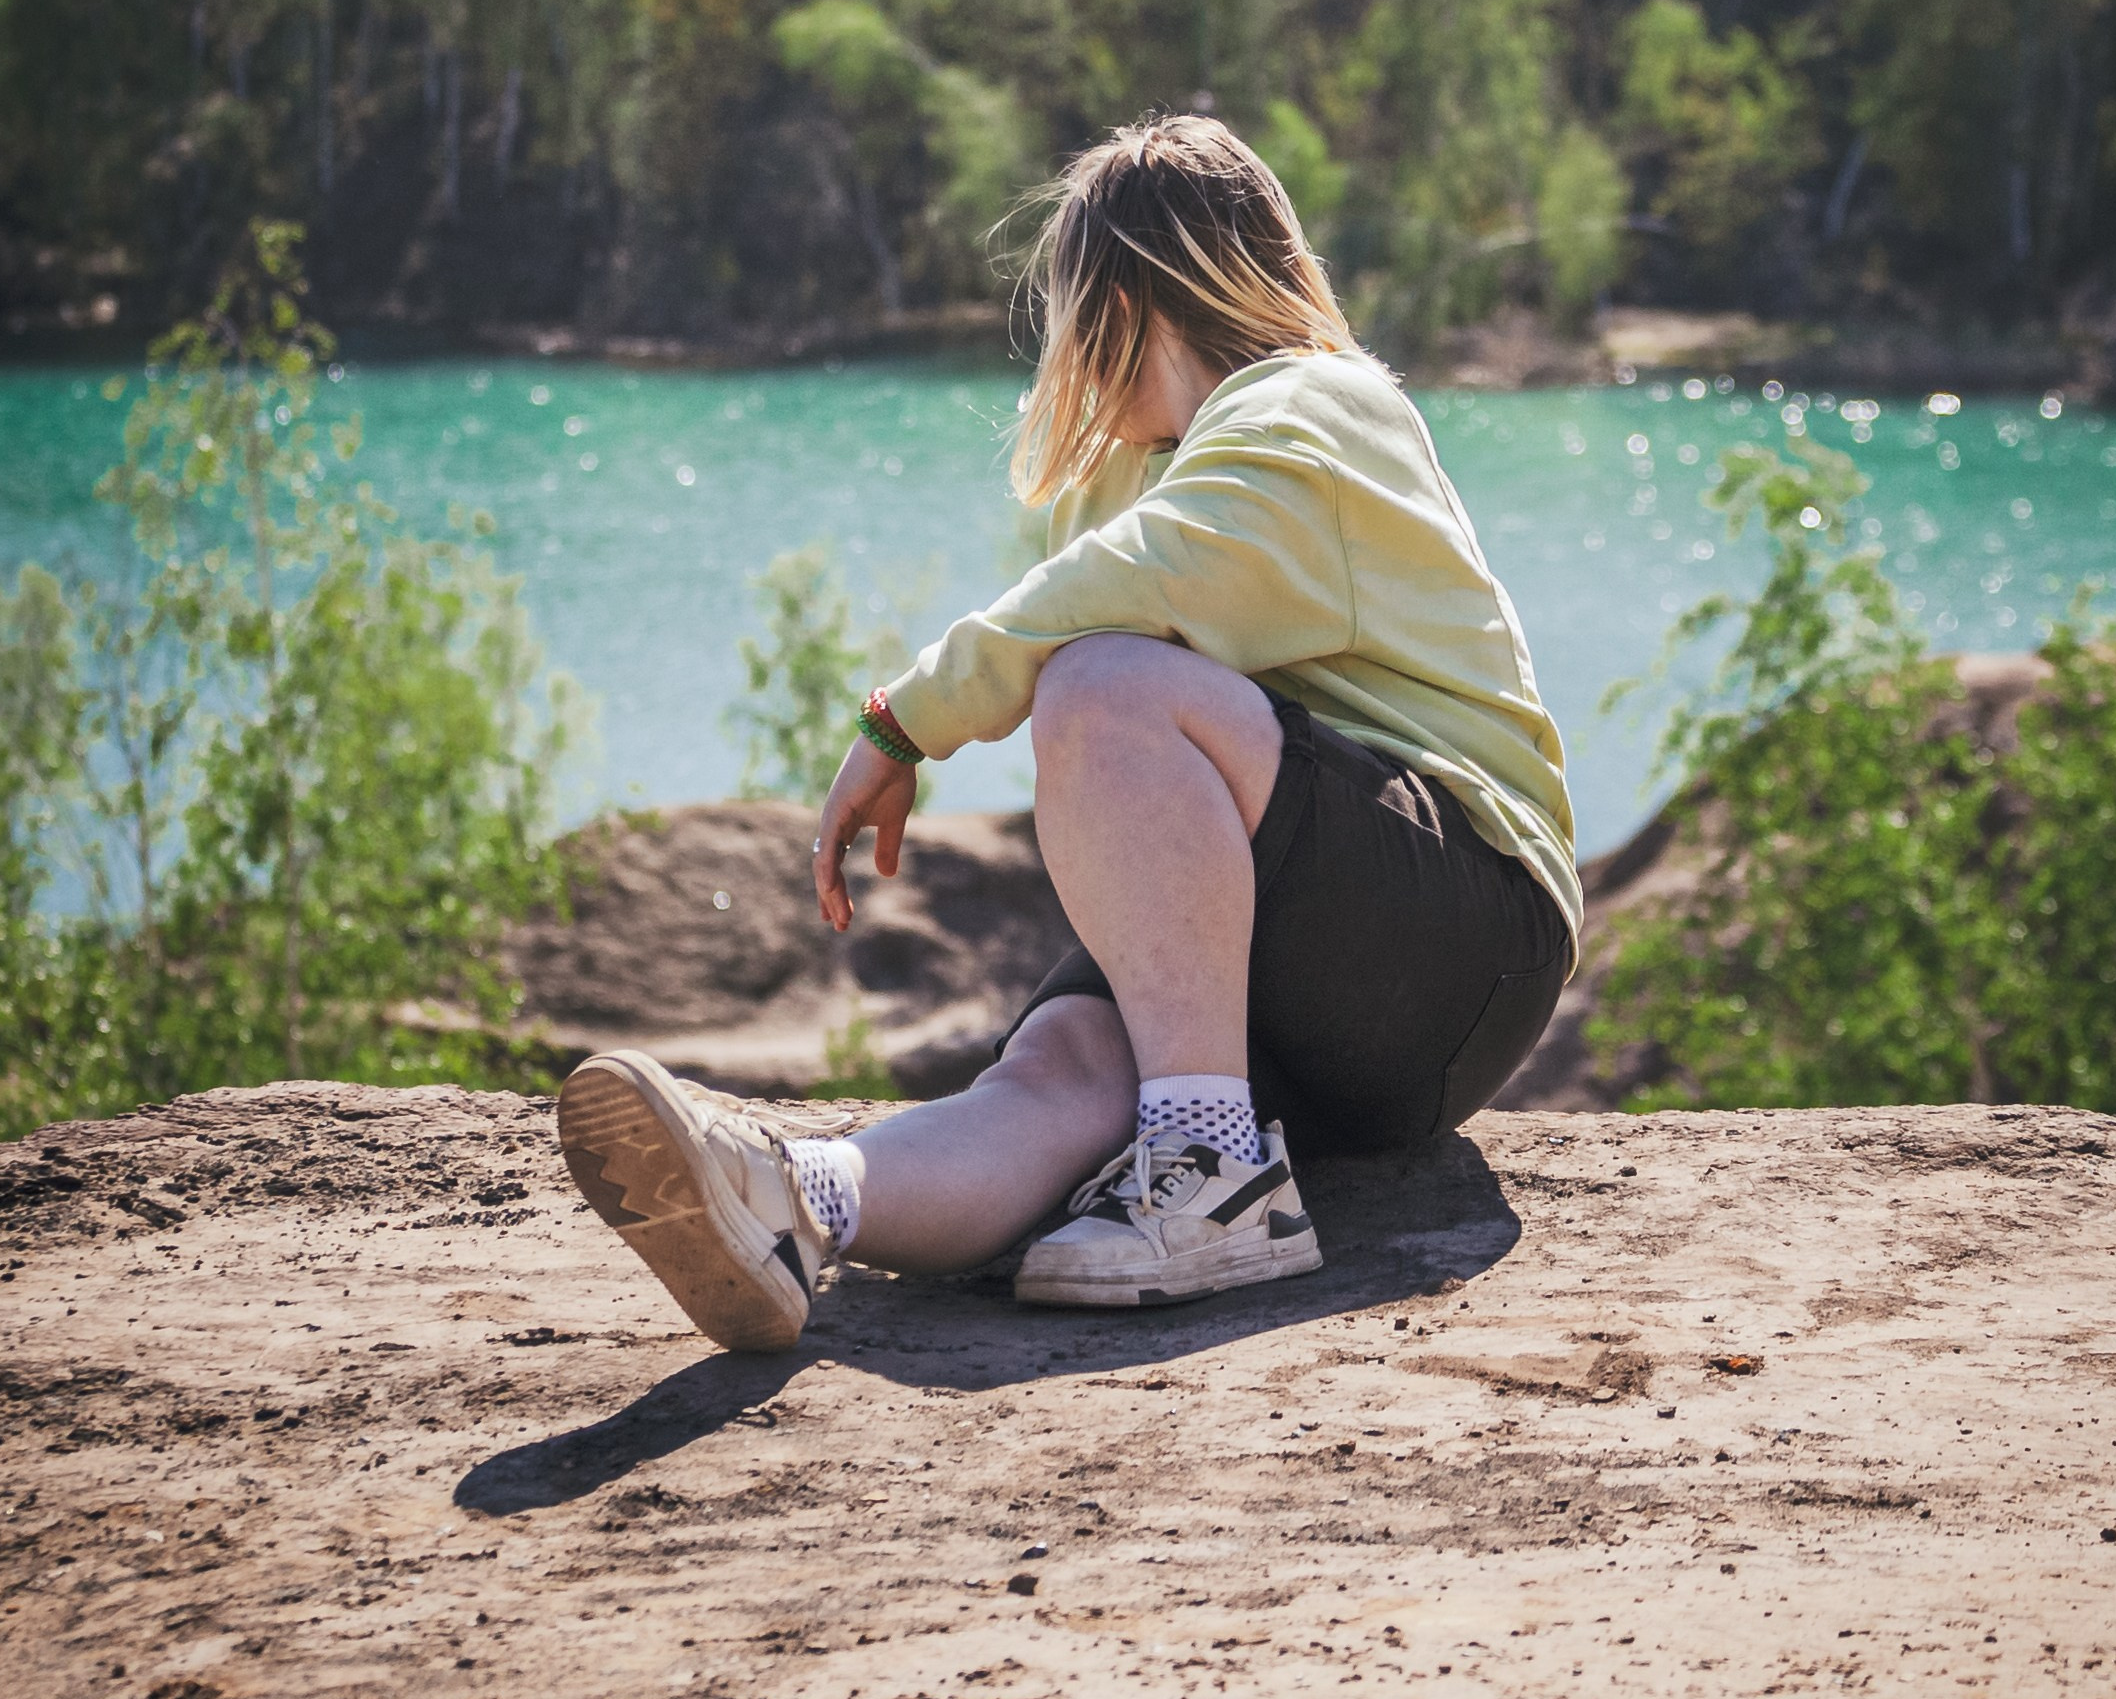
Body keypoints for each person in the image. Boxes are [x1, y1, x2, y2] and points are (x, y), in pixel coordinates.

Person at [558, 113, 1582, 1350]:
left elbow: (1128, 601)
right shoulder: (1152, 464)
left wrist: (905, 722)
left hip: (1467, 929)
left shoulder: (1317, 408)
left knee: (1101, 684)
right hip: (1309, 994)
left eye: (1070, 312)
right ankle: (795, 1198)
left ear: (1126, 299)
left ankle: (1207, 1183)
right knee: (1059, 1073)